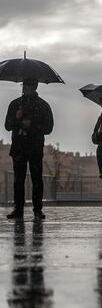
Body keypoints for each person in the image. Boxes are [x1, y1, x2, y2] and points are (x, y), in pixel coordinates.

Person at [5, 78, 53, 220]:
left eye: (28, 86)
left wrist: (32, 125)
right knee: (18, 180)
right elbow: (7, 125)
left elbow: (48, 128)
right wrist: (17, 120)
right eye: (24, 85)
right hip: (19, 147)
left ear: (35, 87)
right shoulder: (15, 105)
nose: (25, 88)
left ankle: (37, 210)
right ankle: (18, 209)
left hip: (34, 147)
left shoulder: (43, 106)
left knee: (36, 179)